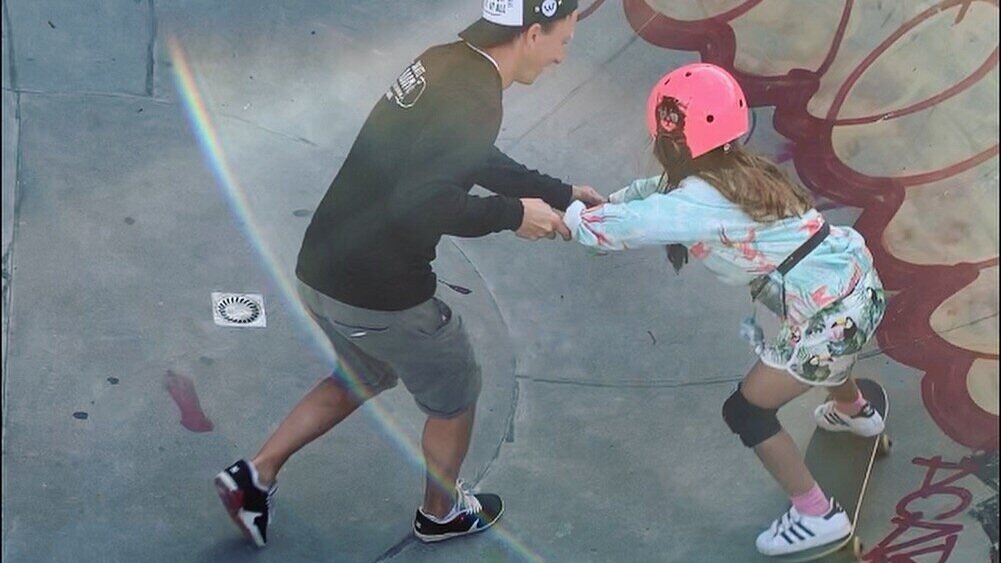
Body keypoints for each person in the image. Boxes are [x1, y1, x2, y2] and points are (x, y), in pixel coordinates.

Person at [214, 0, 605, 548]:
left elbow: (472, 156)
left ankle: (253, 478)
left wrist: (558, 193)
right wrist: (514, 215)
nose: (562, 57)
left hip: (322, 266)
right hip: (379, 292)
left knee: (364, 372)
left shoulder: (446, 61)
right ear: (533, 33)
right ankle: (440, 514)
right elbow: (423, 202)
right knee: (456, 388)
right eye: (564, 41)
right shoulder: (475, 96)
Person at [561, 63, 887, 557]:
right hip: (856, 288)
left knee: (746, 410)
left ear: (668, 138)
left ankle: (816, 514)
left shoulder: (698, 199)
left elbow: (621, 229)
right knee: (813, 349)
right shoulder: (739, 169)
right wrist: (609, 201)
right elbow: (656, 195)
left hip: (830, 319)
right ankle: (855, 411)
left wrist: (569, 219)